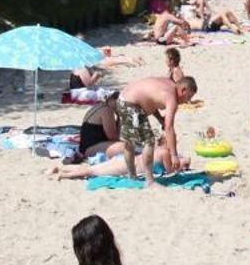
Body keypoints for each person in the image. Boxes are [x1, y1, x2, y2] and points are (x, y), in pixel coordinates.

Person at [52, 76, 197, 186]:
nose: (187, 101)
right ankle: (149, 181)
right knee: (149, 141)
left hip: (125, 99)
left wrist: (159, 119)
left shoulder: (167, 83)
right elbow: (170, 127)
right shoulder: (171, 97)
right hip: (131, 103)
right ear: (183, 90)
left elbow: (151, 100)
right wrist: (174, 154)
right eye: (188, 97)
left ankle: (132, 175)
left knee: (131, 142)